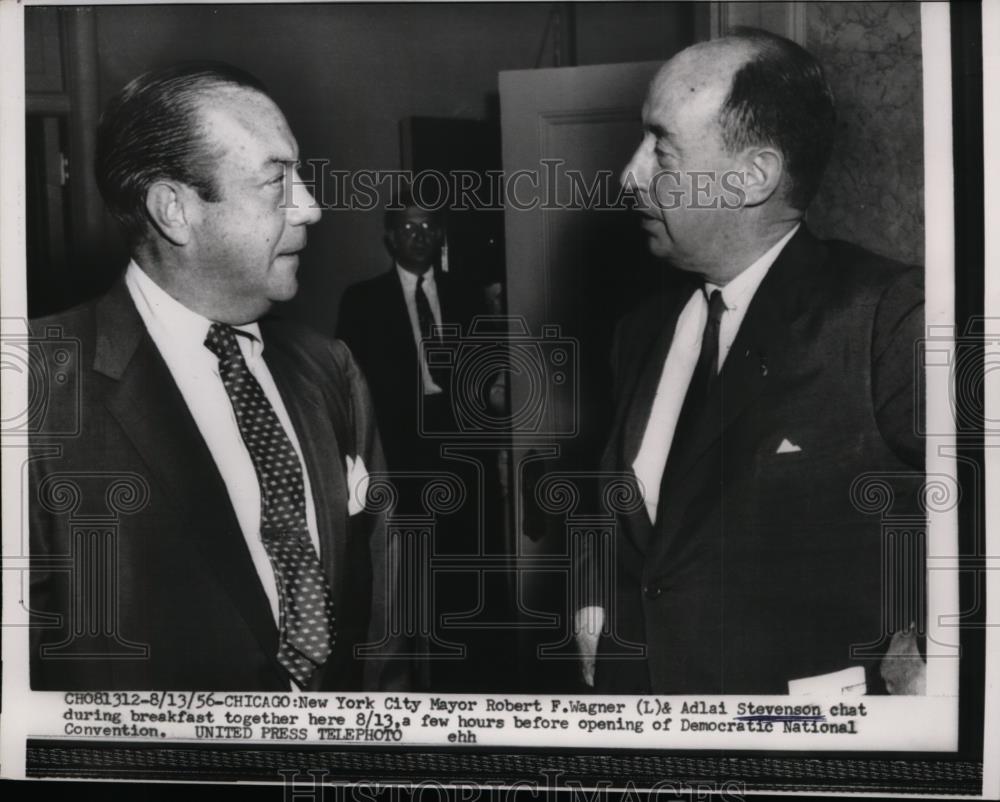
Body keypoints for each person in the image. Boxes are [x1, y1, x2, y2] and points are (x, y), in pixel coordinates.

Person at [29, 63, 408, 691]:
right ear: (173, 209)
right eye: (276, 181)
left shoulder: (330, 369)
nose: (310, 207)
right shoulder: (33, 388)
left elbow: (389, 614)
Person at [574, 29, 925, 695]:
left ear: (752, 177)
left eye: (662, 149)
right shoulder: (639, 331)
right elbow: (615, 505)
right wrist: (593, 597)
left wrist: (940, 645)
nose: (629, 175)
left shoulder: (887, 319)